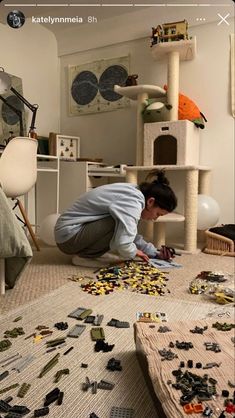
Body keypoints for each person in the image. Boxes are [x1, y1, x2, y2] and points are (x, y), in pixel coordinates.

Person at [54, 169, 177, 265]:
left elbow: (130, 233)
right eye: (158, 214)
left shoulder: (134, 194)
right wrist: (134, 252)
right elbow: (123, 243)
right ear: (150, 202)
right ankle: (85, 257)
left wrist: (153, 252)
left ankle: (91, 253)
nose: (155, 219)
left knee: (126, 226)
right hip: (68, 237)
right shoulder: (133, 201)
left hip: (70, 234)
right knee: (121, 226)